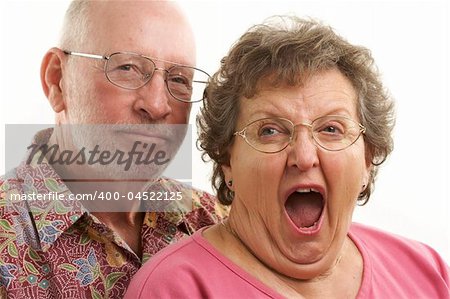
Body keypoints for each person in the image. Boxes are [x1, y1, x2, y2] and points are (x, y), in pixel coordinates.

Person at [124, 16, 450, 298]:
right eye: (270, 131)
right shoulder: (177, 288)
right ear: (227, 161)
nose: (304, 157)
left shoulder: (429, 271)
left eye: (331, 129)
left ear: (368, 158)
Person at [0, 1, 227, 298]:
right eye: (128, 68)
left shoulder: (217, 221)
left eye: (178, 79)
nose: (158, 106)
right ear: (57, 80)